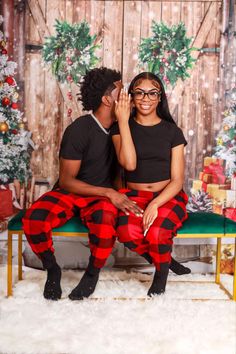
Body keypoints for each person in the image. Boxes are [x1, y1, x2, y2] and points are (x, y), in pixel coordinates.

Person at [22, 67, 143, 301]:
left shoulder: (125, 128)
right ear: (108, 99)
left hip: (101, 198)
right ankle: (52, 269)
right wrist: (108, 192)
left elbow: (128, 167)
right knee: (35, 218)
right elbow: (67, 180)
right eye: (121, 90)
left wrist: (114, 194)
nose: (127, 95)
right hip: (74, 190)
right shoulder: (79, 129)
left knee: (106, 221)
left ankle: (92, 274)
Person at [111, 72, 190, 297]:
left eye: (152, 93)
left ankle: (161, 272)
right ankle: (166, 260)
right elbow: (129, 164)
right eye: (140, 92)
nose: (146, 98)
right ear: (132, 97)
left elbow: (177, 180)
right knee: (127, 232)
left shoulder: (172, 132)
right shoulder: (120, 129)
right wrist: (124, 122)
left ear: (159, 97)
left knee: (156, 233)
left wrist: (156, 204)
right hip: (134, 195)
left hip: (167, 195)